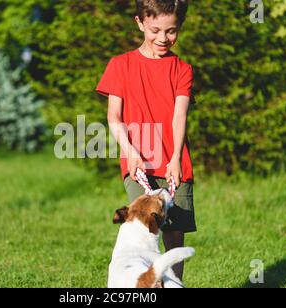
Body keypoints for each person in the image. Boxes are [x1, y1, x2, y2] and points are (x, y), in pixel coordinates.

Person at [96, 0, 196, 282]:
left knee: (175, 236)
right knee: (143, 236)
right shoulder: (120, 66)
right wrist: (131, 152)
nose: (163, 38)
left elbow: (179, 117)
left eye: (171, 31)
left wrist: (176, 158)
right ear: (139, 22)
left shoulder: (182, 69)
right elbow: (114, 118)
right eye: (155, 30)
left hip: (175, 165)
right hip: (138, 164)